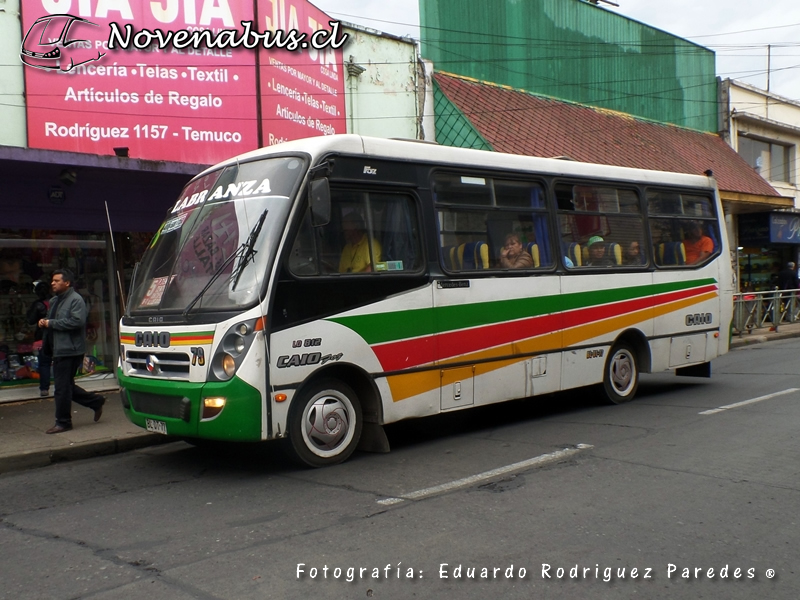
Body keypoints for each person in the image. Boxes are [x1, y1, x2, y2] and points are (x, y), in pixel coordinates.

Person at [38, 269, 105, 434]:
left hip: (70, 350)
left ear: (66, 283)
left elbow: (77, 321)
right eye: (52, 280)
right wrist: (44, 322)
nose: (52, 283)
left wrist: (50, 323)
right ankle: (96, 401)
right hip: (58, 348)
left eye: (56, 280)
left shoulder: (76, 300)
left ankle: (63, 422)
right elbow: (53, 321)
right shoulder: (54, 301)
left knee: (61, 388)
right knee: (66, 386)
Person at [26, 280, 52, 397]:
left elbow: (30, 320)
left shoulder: (37, 304)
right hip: (58, 335)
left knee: (44, 364)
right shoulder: (56, 301)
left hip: (42, 337)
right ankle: (67, 386)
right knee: (61, 362)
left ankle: (44, 389)